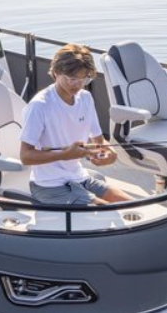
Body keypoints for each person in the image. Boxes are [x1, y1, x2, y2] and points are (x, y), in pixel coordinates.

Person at [19, 44, 135, 205]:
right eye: (72, 79)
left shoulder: (86, 98)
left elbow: (99, 141)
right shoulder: (39, 106)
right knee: (107, 211)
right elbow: (25, 156)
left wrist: (109, 153)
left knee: (135, 206)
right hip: (48, 185)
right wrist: (64, 155)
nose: (78, 85)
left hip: (80, 177)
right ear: (56, 73)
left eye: (84, 79)